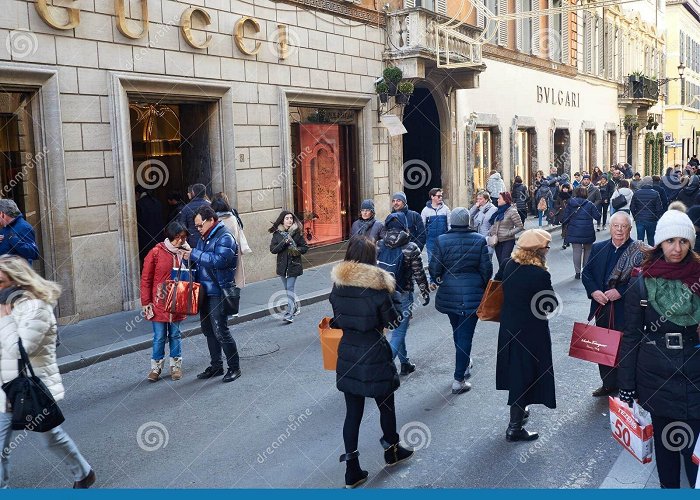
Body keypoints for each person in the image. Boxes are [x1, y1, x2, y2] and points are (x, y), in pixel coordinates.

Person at [618, 209, 700, 488]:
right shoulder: (641, 283)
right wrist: (626, 384)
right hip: (655, 376)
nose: (676, 249)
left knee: (695, 456)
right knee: (666, 450)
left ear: (691, 243)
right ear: (659, 243)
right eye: (669, 241)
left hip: (696, 372)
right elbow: (630, 337)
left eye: (683, 241)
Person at [0, 256, 95, 488]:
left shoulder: (36, 308)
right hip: (6, 384)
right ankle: (84, 473)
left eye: (0, 282)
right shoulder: (6, 305)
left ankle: (83, 473)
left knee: (52, 438)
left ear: (16, 281)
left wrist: (3, 319)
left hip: (31, 385)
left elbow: (20, 349)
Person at [330, 236, 414, 488]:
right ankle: (392, 451)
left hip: (348, 352)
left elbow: (337, 319)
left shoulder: (338, 285)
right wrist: (395, 298)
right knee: (386, 405)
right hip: (374, 351)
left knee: (352, 413)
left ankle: (352, 470)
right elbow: (393, 321)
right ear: (370, 257)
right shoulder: (379, 286)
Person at [495, 229, 557, 442]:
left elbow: (496, 286)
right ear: (538, 250)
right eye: (546, 247)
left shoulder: (507, 264)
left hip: (509, 327)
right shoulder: (540, 275)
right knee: (525, 375)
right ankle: (514, 428)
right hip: (531, 332)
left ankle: (520, 413)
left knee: (516, 372)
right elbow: (549, 305)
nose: (548, 250)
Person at [429, 207, 492, 394]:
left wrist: (443, 279)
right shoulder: (479, 240)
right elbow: (486, 270)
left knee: (457, 330)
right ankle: (459, 378)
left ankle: (463, 364)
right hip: (473, 294)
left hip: (449, 293)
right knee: (465, 335)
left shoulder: (441, 240)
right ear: (468, 222)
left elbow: (434, 270)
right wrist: (478, 284)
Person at [581, 211, 640, 397]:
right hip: (602, 306)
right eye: (616, 226)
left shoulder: (639, 251)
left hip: (627, 308)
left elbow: (643, 280)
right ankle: (608, 384)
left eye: (624, 226)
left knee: (626, 349)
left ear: (630, 229)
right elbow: (586, 273)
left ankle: (626, 386)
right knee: (603, 348)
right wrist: (594, 292)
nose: (620, 230)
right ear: (610, 227)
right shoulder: (598, 248)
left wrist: (621, 292)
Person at [184, 206, 241, 383]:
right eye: (196, 226)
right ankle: (216, 366)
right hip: (205, 291)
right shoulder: (204, 237)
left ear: (210, 220)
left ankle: (234, 367)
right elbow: (201, 263)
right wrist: (189, 260)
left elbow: (220, 261)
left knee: (221, 331)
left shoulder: (225, 236)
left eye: (200, 225)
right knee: (208, 330)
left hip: (218, 291)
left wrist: (194, 253)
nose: (198, 229)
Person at [377, 212, 430, 376]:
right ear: (404, 225)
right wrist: (424, 291)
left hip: (384, 293)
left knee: (396, 329)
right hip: (403, 293)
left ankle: (405, 363)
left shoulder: (379, 244)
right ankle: (383, 369)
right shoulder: (411, 247)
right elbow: (418, 273)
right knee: (399, 331)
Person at [140, 221, 190, 382]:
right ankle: (156, 368)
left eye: (183, 237)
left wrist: (190, 255)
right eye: (178, 237)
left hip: (177, 300)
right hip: (158, 301)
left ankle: (176, 367)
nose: (181, 241)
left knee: (175, 334)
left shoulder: (185, 252)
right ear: (170, 236)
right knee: (159, 336)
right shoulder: (155, 252)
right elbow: (146, 279)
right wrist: (146, 301)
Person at [269, 211, 308, 323]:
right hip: (282, 266)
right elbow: (273, 250)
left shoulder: (297, 233)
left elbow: (305, 247)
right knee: (287, 289)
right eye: (287, 218)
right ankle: (295, 307)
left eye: (291, 218)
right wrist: (284, 243)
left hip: (293, 266)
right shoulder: (277, 234)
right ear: (282, 220)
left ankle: (289, 314)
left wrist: (296, 250)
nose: (290, 220)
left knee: (290, 289)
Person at [211, 195, 251, 288]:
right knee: (232, 282)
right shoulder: (232, 218)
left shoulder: (215, 221)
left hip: (218, 255)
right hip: (233, 253)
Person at [562, 187, 600, 279]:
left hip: (574, 230)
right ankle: (585, 271)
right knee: (588, 250)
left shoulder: (571, 203)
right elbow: (597, 216)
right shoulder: (590, 204)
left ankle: (577, 273)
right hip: (587, 230)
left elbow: (565, 218)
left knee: (576, 251)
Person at [488, 192, 524, 269]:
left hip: (508, 240)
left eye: (499, 198)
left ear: (505, 200)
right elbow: (494, 224)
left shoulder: (512, 211)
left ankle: (507, 279)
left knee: (505, 262)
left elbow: (520, 226)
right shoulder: (498, 211)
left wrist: (509, 233)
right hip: (497, 240)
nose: (497, 200)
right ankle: (503, 280)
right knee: (501, 263)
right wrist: (491, 232)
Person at [0, 199, 39, 265]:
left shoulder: (24, 227)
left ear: (2, 214)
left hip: (18, 274)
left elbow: (34, 254)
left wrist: (14, 239)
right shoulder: (5, 226)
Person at [630, 176, 663, 246]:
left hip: (640, 218)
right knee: (651, 239)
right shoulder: (655, 193)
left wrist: (635, 217)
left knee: (640, 240)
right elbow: (659, 208)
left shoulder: (636, 193)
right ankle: (651, 255)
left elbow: (632, 207)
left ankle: (639, 255)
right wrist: (656, 217)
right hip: (652, 219)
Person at [136, 186, 165, 262]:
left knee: (147, 263)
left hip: (144, 241)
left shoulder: (139, 204)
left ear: (137, 193)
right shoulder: (157, 202)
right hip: (159, 238)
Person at [420, 188, 451, 262]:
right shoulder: (425, 211)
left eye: (441, 196)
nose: (441, 198)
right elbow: (422, 226)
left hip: (443, 240)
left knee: (444, 261)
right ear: (432, 197)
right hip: (431, 241)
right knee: (431, 261)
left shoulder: (446, 209)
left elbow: (449, 224)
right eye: (438, 196)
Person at [178, 183, 210, 248]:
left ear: (193, 193)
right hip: (209, 239)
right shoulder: (211, 206)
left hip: (193, 241)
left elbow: (182, 226)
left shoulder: (186, 208)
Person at [469, 190, 497, 256]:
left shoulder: (493, 209)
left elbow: (495, 224)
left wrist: (489, 235)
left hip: (487, 238)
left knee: (488, 259)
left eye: (480, 199)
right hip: (478, 238)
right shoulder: (479, 209)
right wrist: (475, 207)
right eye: (477, 199)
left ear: (486, 199)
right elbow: (470, 215)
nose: (478, 201)